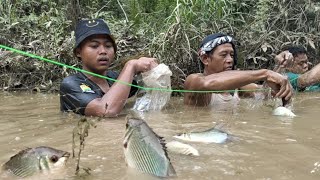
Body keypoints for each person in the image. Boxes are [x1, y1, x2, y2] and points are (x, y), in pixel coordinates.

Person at [60, 19, 158, 117]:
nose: (103, 51)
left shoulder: (115, 77)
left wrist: (152, 70)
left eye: (108, 46)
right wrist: (131, 65)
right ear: (78, 52)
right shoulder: (70, 84)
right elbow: (106, 111)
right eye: (94, 46)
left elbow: (147, 90)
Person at [184, 33, 293, 106]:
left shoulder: (239, 88)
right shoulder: (194, 81)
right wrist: (266, 73)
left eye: (231, 55)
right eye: (223, 55)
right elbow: (209, 83)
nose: (230, 60)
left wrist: (279, 66)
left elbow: (265, 94)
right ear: (205, 59)